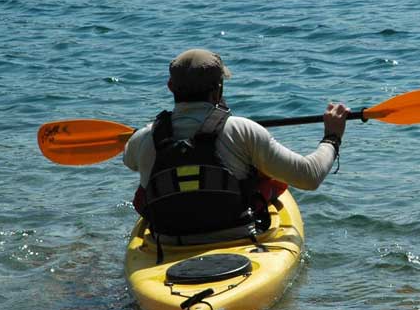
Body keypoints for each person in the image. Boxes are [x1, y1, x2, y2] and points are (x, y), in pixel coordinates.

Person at [123, 49, 348, 252]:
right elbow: (309, 176)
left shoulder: (144, 137)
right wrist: (332, 136)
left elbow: (129, 161)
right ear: (219, 88)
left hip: (168, 242)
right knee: (267, 178)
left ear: (170, 86)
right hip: (236, 238)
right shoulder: (242, 130)